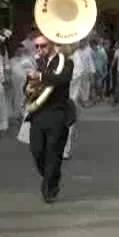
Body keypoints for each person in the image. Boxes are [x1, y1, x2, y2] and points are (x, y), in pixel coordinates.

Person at [26, 36, 74, 203]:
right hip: (39, 113)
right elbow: (29, 85)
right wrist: (28, 86)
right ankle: (51, 175)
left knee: (53, 152)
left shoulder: (66, 62)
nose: (39, 49)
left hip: (57, 113)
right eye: (36, 46)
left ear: (52, 44)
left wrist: (39, 77)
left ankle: (50, 188)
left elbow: (62, 79)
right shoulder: (38, 62)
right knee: (37, 150)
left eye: (42, 46)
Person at [8, 44, 36, 123]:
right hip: (15, 82)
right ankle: (17, 113)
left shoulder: (27, 59)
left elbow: (32, 69)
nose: (20, 52)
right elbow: (9, 70)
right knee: (16, 96)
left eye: (22, 50)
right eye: (18, 51)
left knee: (24, 97)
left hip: (25, 82)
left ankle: (22, 113)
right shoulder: (12, 60)